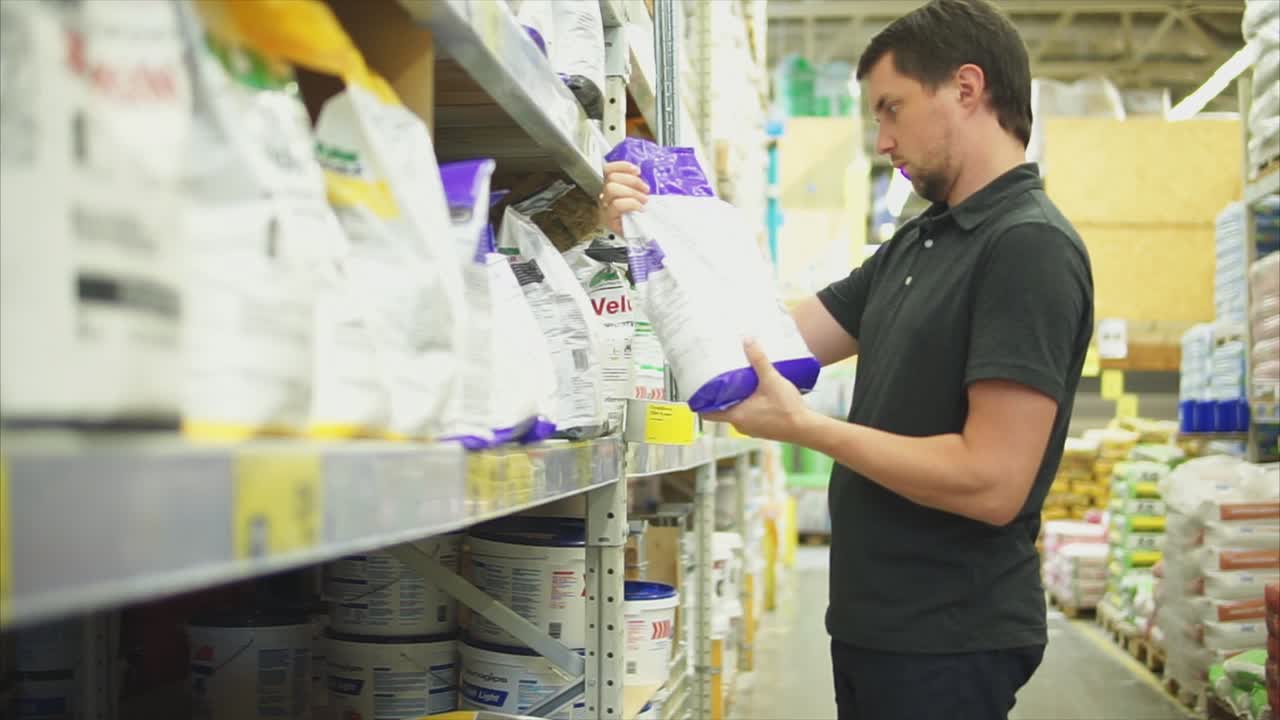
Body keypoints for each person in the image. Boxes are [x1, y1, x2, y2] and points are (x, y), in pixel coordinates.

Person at [600, 1, 1094, 718]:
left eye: (892, 110)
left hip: (948, 641)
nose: (883, 140)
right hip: (877, 629)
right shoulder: (918, 243)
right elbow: (761, 339)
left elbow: (993, 483)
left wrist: (807, 429)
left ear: (966, 88)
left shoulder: (1027, 247)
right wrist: (655, 226)